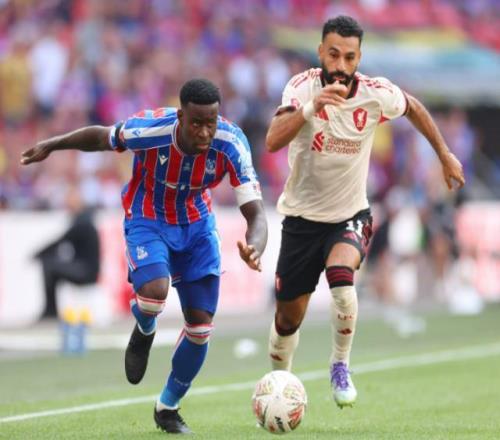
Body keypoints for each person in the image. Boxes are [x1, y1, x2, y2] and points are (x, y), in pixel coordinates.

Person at [21, 78, 268, 434]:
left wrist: (255, 245)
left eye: (211, 123)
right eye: (196, 123)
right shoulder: (150, 130)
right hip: (148, 218)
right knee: (153, 295)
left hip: (197, 227)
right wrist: (53, 144)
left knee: (200, 327)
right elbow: (102, 137)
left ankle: (168, 407)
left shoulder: (232, 143)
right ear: (181, 117)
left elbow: (256, 212)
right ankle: (145, 328)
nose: (204, 132)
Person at [265, 16, 465, 409]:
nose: (340, 65)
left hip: (350, 215)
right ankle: (277, 385)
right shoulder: (301, 87)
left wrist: (444, 154)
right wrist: (311, 108)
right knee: (287, 319)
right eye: (333, 54)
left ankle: (340, 364)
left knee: (342, 282)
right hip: (301, 220)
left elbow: (413, 107)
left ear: (359, 58)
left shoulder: (376, 93)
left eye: (349, 57)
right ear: (320, 52)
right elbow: (272, 140)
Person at [34, 186, 100, 319]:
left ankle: (50, 312)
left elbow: (61, 240)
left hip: (86, 271)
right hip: (84, 267)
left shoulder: (83, 221)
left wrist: (38, 254)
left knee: (49, 266)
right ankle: (51, 311)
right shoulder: (83, 219)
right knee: (51, 265)